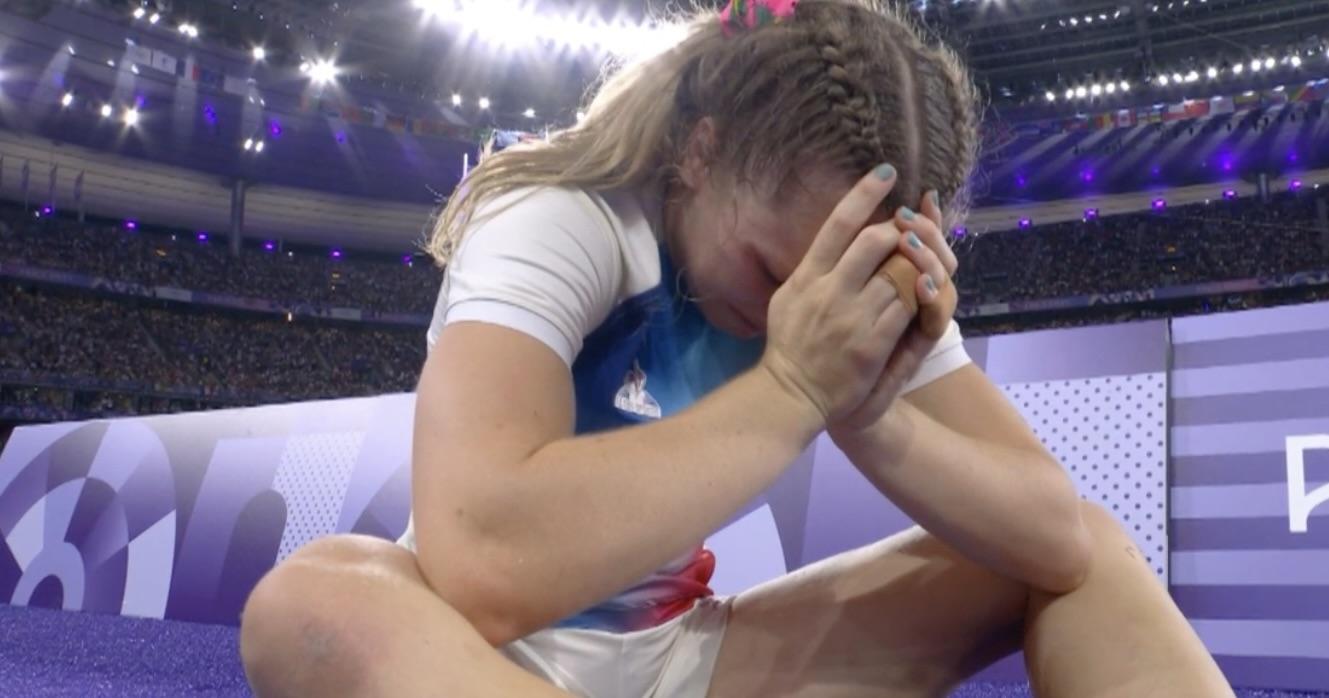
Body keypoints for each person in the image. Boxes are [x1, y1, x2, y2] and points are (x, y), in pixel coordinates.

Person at [239, 1, 1236, 695]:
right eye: (770, 272)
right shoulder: (561, 214)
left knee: (1067, 551)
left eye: (826, 290)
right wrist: (797, 384)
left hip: (690, 661)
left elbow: (1058, 535)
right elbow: (480, 563)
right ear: (700, 151)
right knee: (311, 599)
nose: (790, 314)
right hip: (473, 659)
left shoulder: (838, 276)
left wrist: (869, 406)